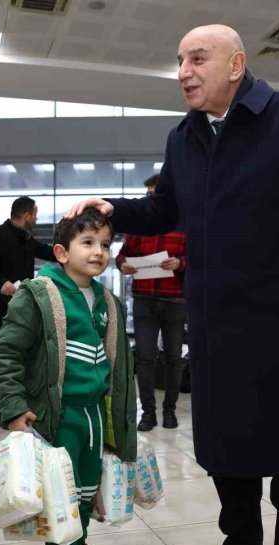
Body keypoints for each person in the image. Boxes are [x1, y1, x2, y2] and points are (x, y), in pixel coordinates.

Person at [67, 24, 279, 545]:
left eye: (198, 59)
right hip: (215, 323)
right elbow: (167, 206)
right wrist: (112, 208)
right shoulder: (184, 137)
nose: (184, 71)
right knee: (226, 448)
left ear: (236, 65)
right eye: (179, 61)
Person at [0, 208, 137, 545]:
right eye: (87, 243)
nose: (98, 251)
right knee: (62, 498)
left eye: (105, 244)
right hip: (57, 418)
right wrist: (13, 408)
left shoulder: (107, 300)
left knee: (86, 493)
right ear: (60, 252)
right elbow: (6, 354)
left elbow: (119, 366)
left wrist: (119, 419)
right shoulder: (38, 295)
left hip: (93, 416)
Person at [115, 173, 187, 431]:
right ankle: (148, 413)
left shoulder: (184, 224)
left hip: (176, 301)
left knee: (173, 358)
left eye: (153, 194)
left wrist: (180, 263)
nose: (149, 199)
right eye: (147, 194)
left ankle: (169, 410)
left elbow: (199, 259)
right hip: (144, 299)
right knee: (144, 357)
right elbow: (123, 256)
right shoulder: (140, 227)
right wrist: (123, 264)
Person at [0, 196, 56, 338]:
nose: (36, 220)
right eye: (35, 215)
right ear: (27, 215)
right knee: (6, 355)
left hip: (24, 306)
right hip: (5, 308)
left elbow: (47, 252)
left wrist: (69, 252)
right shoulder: (0, 235)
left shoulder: (26, 238)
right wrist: (1, 282)